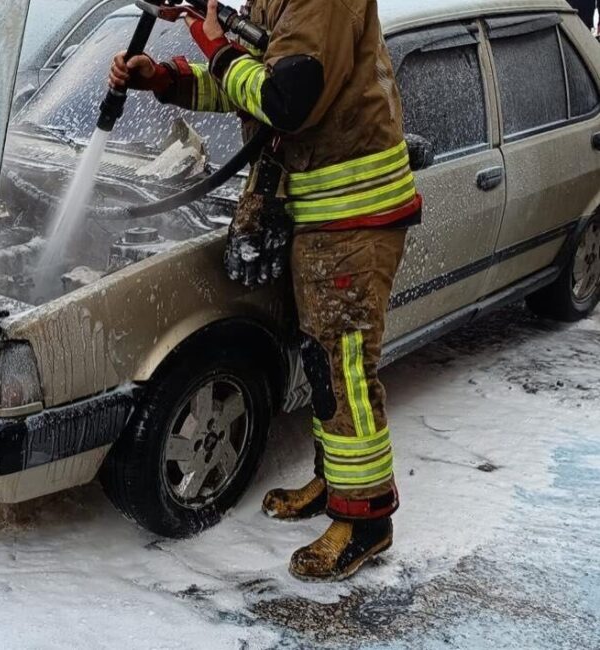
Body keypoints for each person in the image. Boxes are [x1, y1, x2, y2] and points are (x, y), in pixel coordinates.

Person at [110, 0, 421, 582]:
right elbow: (251, 84)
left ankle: (366, 521)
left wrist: (215, 47)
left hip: (351, 218)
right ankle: (336, 483)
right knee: (322, 361)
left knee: (342, 367)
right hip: (320, 217)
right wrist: (167, 80)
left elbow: (287, 102)